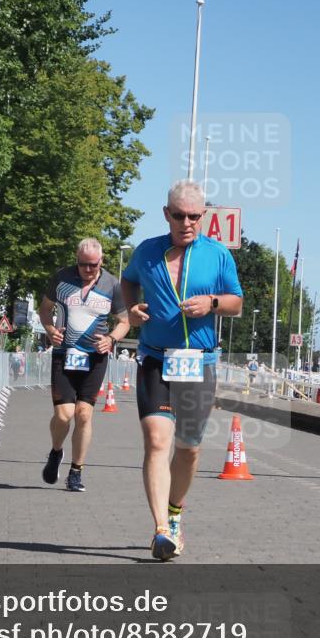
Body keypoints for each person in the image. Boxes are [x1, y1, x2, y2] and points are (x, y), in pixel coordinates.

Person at [121, 180, 243, 559]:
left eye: (194, 216)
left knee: (188, 449)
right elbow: (128, 283)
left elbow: (236, 303)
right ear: (166, 214)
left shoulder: (218, 255)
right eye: (179, 215)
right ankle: (160, 530)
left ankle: (175, 513)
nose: (186, 222)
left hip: (199, 362)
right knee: (157, 441)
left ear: (203, 216)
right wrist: (133, 309)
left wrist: (212, 302)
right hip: (156, 358)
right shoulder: (148, 252)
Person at [39, 238, 129, 492]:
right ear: (76, 261)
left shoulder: (112, 284)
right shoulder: (62, 278)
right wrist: (49, 329)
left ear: (101, 261)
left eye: (93, 265)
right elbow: (44, 309)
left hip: (94, 357)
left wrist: (111, 339)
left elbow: (124, 321)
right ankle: (56, 452)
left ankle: (76, 471)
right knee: (63, 415)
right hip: (64, 353)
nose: (88, 270)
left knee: (84, 414)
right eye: (83, 265)